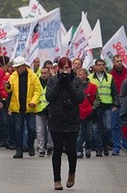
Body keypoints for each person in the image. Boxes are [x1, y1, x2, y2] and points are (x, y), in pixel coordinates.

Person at [46, 56, 84, 190]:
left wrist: (68, 83)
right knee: (57, 150)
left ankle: (71, 173)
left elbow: (80, 98)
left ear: (71, 68)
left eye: (67, 68)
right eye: (62, 68)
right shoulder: (52, 80)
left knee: (70, 149)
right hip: (56, 120)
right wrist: (60, 83)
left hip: (72, 121)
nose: (65, 71)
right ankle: (57, 180)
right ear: (58, 68)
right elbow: (49, 97)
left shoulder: (77, 81)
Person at [5, 55, 42, 158]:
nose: (17, 69)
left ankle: (30, 145)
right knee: (18, 129)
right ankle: (19, 150)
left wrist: (34, 101)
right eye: (16, 67)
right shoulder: (13, 76)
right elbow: (9, 90)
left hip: (29, 107)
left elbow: (38, 90)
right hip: (17, 106)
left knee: (31, 128)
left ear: (24, 66)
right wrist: (7, 86)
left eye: (19, 67)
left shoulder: (33, 76)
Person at [88, 58, 119, 157]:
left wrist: (115, 104)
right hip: (95, 107)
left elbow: (114, 91)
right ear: (95, 66)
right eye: (99, 64)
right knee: (96, 129)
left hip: (107, 106)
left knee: (108, 127)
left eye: (103, 64)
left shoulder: (110, 77)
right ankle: (99, 149)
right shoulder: (90, 78)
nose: (101, 66)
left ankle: (105, 145)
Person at [76, 67, 98, 159]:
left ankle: (88, 147)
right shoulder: (74, 86)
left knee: (89, 135)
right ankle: (79, 151)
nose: (78, 76)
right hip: (78, 113)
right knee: (79, 134)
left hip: (89, 113)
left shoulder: (92, 87)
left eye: (80, 74)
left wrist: (93, 108)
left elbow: (97, 99)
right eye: (77, 74)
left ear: (85, 76)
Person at [110, 55, 127, 155]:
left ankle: (125, 144)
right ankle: (116, 147)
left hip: (125, 104)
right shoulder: (110, 75)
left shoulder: (126, 73)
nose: (119, 63)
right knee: (115, 126)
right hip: (115, 104)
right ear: (113, 62)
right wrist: (115, 103)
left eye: (121, 61)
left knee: (125, 125)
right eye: (117, 61)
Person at [36, 65, 53, 157]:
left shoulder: (52, 82)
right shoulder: (36, 82)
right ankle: (41, 148)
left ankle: (50, 146)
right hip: (38, 109)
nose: (43, 75)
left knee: (49, 130)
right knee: (39, 131)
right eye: (42, 73)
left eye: (45, 73)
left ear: (49, 74)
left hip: (49, 109)